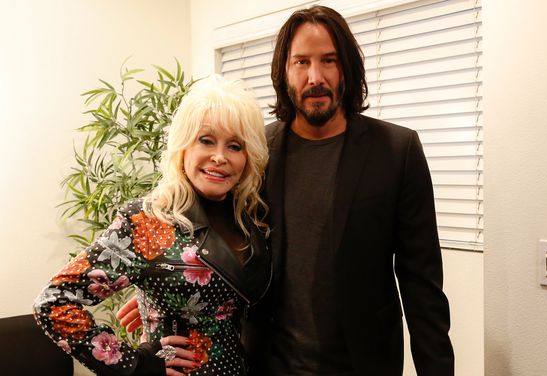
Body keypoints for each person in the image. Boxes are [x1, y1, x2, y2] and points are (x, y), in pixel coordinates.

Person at [119, 5, 455, 376]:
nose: (316, 76)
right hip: (266, 362)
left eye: (329, 60)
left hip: (363, 362)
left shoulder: (397, 151)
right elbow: (203, 225)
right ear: (283, 71)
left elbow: (422, 287)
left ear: (347, 67)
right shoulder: (253, 150)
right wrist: (162, 285)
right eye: (301, 62)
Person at [33, 75, 272, 376]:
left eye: (235, 146)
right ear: (183, 146)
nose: (219, 157)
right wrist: (133, 365)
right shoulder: (146, 220)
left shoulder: (250, 219)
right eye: (206, 140)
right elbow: (53, 302)